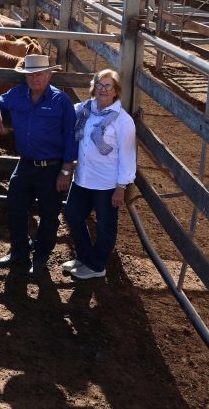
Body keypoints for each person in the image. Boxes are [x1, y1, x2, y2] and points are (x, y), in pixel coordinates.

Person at [0, 54, 78, 278]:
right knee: (15, 206)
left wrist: (66, 170)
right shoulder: (18, 93)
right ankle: (20, 249)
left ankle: (40, 258)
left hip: (52, 167)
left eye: (39, 74)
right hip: (26, 163)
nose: (34, 79)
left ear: (49, 75)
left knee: (49, 214)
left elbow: (71, 137)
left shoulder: (61, 101)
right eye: (30, 75)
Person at [60, 68, 137, 280]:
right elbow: (63, 111)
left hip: (107, 183)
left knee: (105, 225)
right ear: (94, 88)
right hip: (83, 177)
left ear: (116, 91)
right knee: (73, 215)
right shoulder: (84, 109)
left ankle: (97, 265)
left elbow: (128, 156)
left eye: (108, 86)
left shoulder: (123, 121)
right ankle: (85, 257)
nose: (103, 90)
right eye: (100, 85)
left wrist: (121, 187)